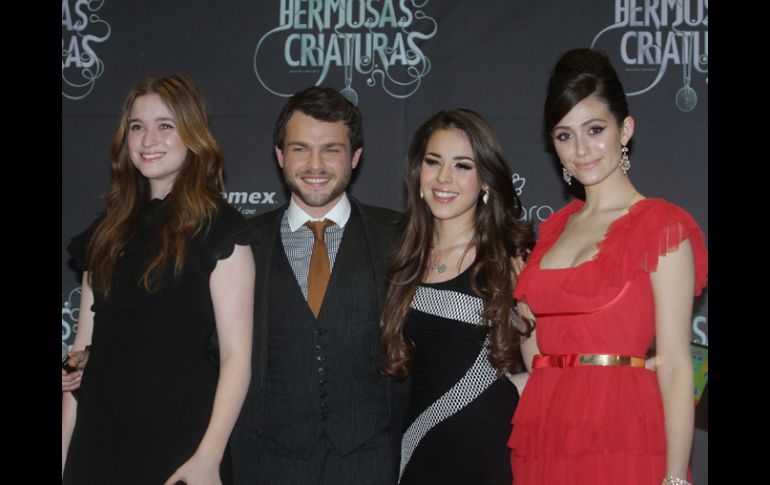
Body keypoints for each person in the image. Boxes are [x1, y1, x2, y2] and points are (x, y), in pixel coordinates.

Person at [507, 49, 708, 485]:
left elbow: (674, 366)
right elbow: (538, 354)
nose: (581, 150)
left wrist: (674, 478)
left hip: (624, 436)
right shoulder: (550, 234)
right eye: (564, 135)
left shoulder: (662, 226)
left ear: (626, 129)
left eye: (594, 129)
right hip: (547, 437)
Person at [61, 74, 255, 485]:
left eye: (165, 125)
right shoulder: (105, 232)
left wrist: (209, 457)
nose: (148, 140)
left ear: (192, 133)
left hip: (179, 445)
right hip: (98, 442)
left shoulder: (222, 230)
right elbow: (80, 352)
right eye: (137, 127)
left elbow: (237, 359)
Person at [228, 86, 406, 485]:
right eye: (300, 148)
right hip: (269, 461)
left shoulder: (399, 235)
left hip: (371, 459)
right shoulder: (242, 242)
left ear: (355, 157)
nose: (315, 163)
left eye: (331, 149)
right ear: (279, 155)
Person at [380, 109, 535, 484]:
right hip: (413, 453)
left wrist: (492, 391)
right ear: (418, 173)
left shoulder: (510, 259)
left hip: (485, 456)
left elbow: (542, 372)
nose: (444, 177)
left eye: (463, 165)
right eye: (434, 162)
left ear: (485, 180)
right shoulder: (396, 255)